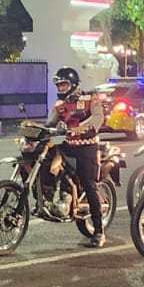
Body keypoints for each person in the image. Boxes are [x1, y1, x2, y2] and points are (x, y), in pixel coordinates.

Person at [48, 67, 109, 247]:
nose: (61, 88)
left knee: (89, 185)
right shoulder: (60, 105)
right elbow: (50, 123)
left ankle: (99, 232)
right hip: (68, 145)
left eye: (64, 84)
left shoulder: (90, 98)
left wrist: (80, 128)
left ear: (73, 84)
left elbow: (97, 118)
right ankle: (57, 194)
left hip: (87, 147)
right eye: (58, 85)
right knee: (45, 158)